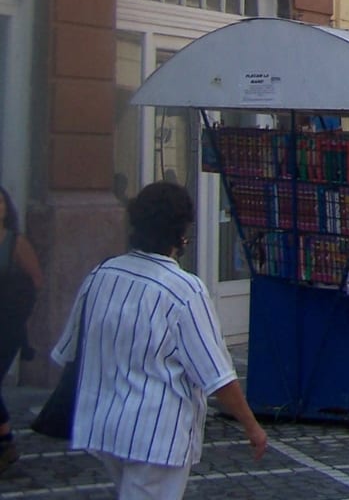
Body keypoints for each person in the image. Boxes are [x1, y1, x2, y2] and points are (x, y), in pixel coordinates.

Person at [51, 182, 267, 497]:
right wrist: (252, 427)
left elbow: (68, 350)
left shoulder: (101, 275)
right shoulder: (183, 290)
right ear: (179, 235)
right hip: (156, 434)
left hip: (105, 425)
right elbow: (216, 375)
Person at [0, 186, 44, 475]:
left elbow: (36, 281)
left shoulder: (16, 243)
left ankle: (7, 442)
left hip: (7, 326)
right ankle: (5, 442)